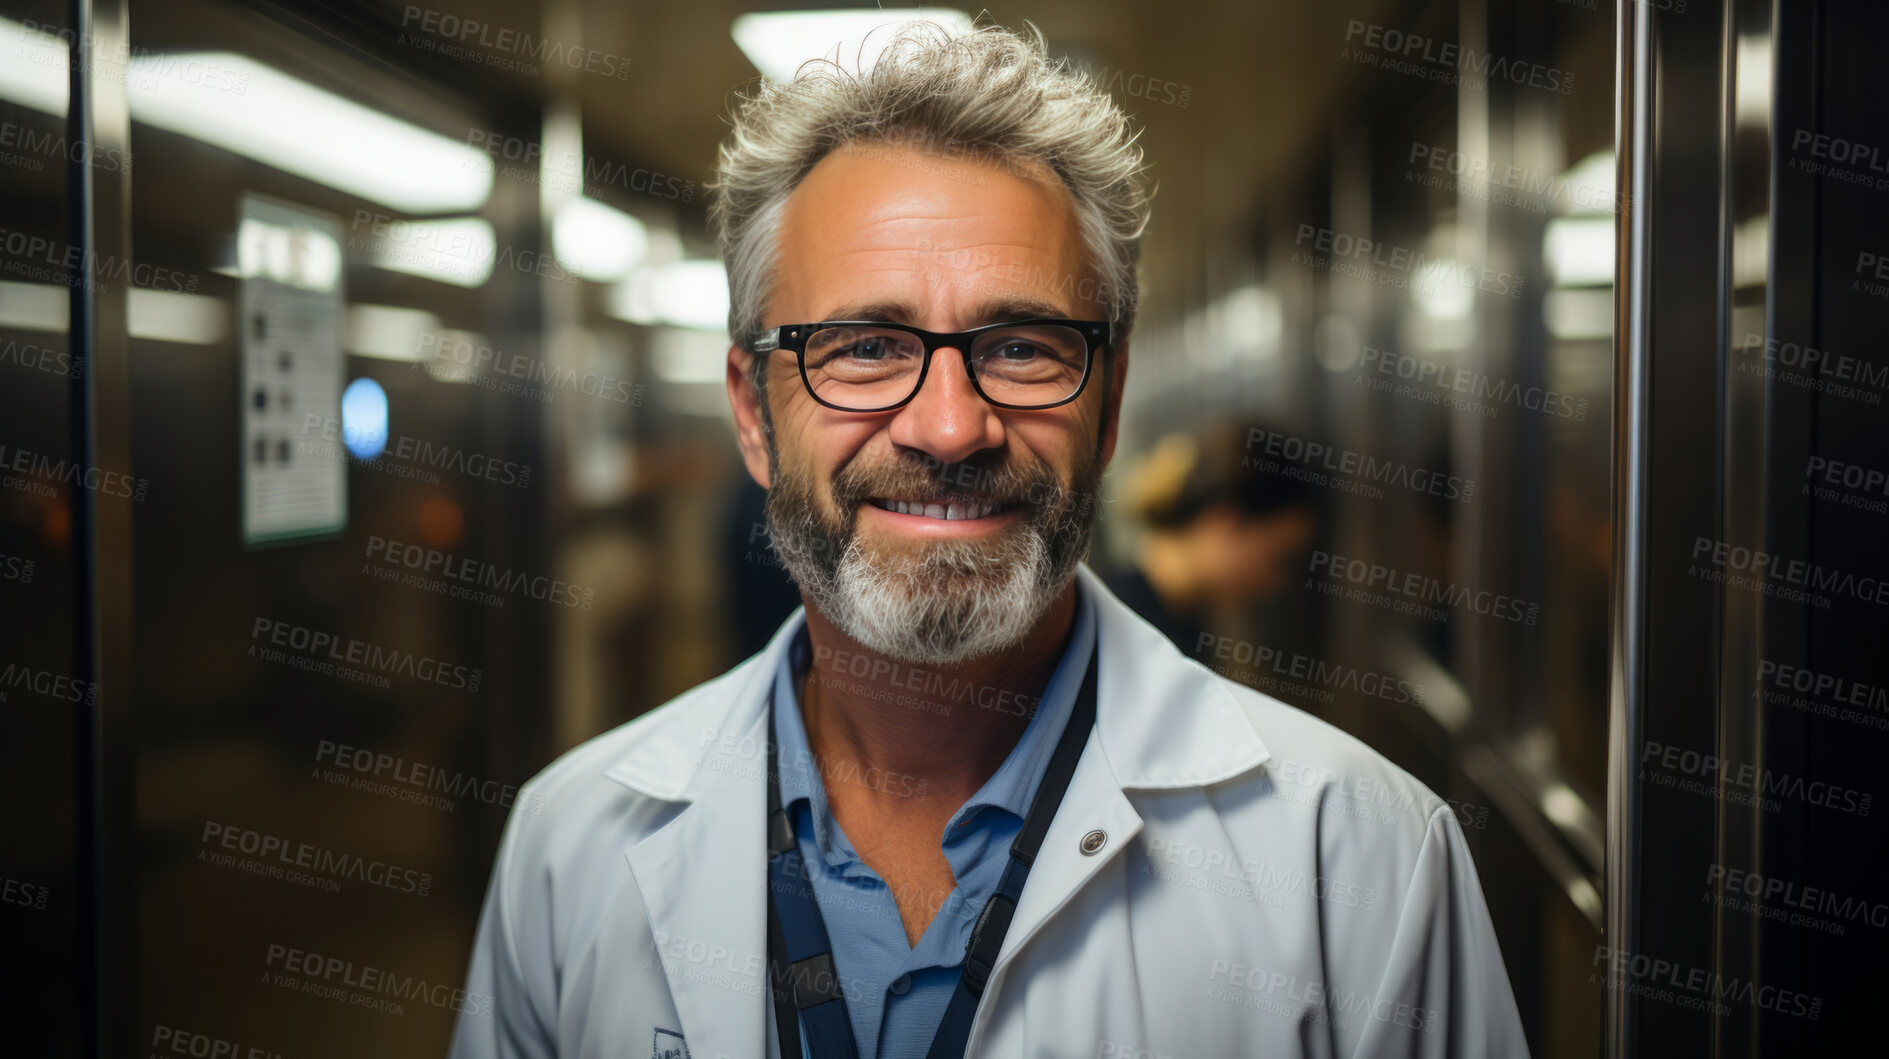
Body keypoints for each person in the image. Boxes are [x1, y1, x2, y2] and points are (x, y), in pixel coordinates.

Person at [451, 22, 1527, 1059]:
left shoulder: (1361, 861)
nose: (951, 426)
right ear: (751, 413)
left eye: (1021, 347)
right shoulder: (569, 848)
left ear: (1106, 411)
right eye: (864, 346)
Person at [1105, 423, 1321, 654]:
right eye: (1279, 559)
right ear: (1224, 522)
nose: (1275, 584)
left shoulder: (1181, 624)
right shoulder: (1118, 629)